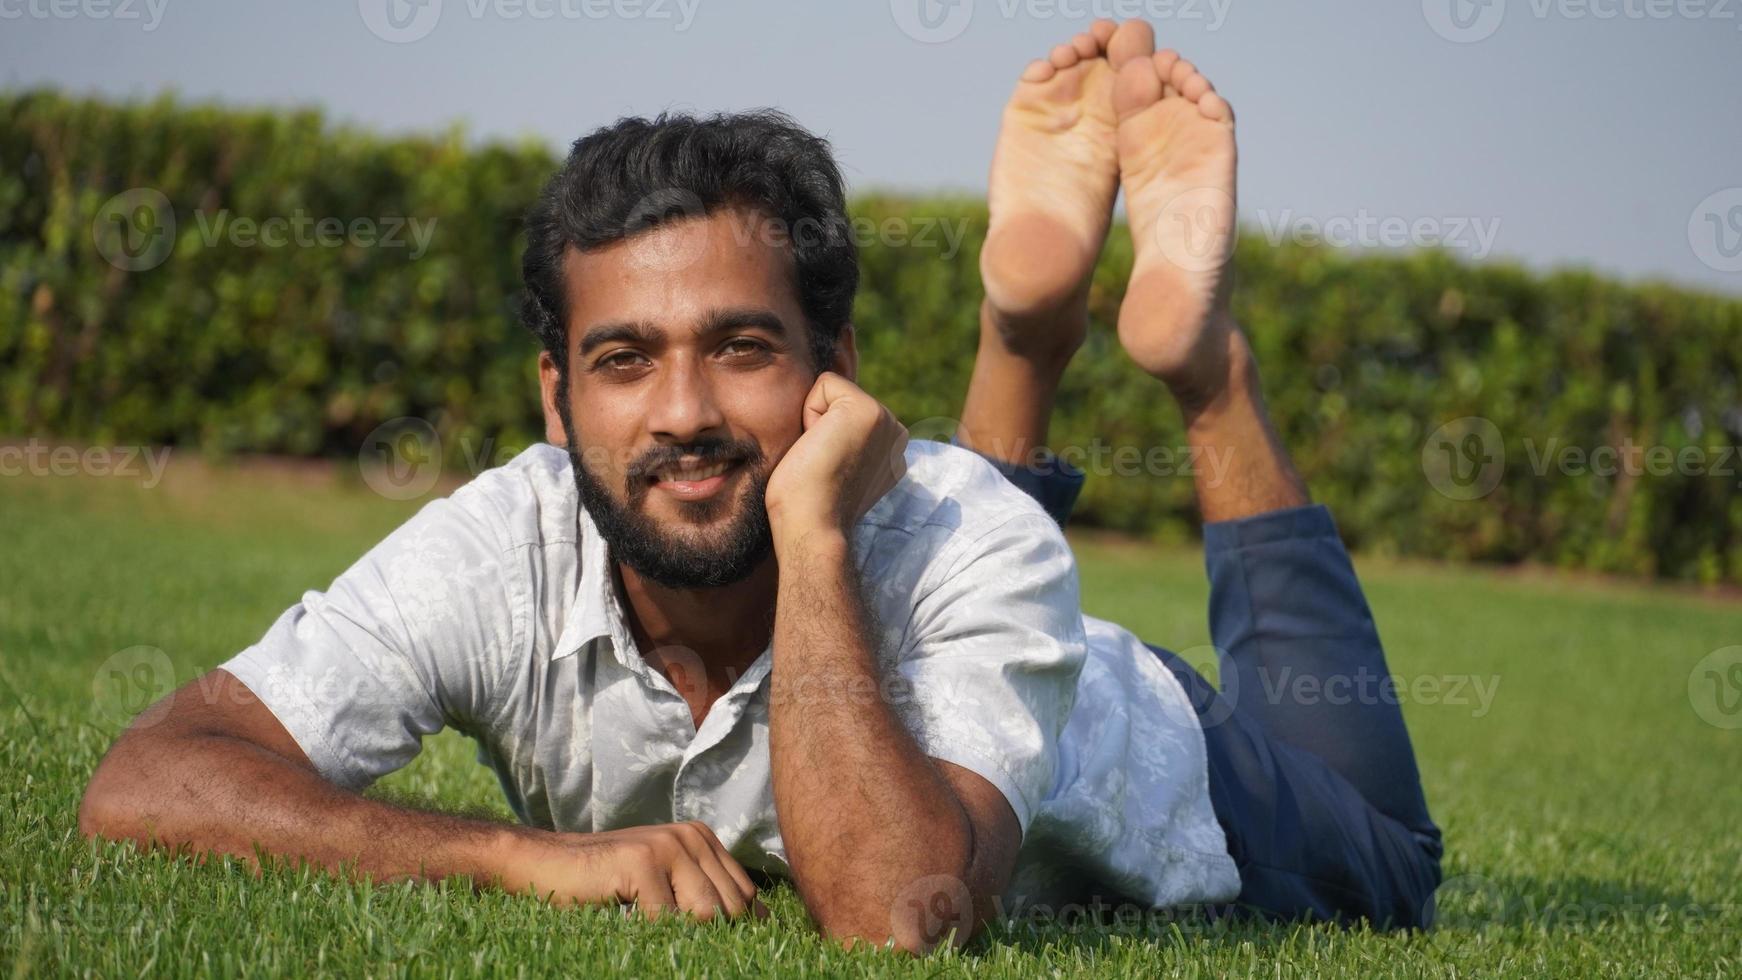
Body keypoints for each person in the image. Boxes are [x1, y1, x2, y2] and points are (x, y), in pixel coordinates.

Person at [78, 19, 1441, 954]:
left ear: (832, 368)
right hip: (965, 588)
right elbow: (146, 783)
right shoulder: (507, 538)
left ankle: (1199, 370)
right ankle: (1027, 330)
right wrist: (518, 856)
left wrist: (811, 536)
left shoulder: (964, 545)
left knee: (1396, 857)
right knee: (959, 527)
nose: (681, 414)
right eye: (622, 361)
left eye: (740, 349)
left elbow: (896, 915)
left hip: (1164, 754)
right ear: (554, 397)